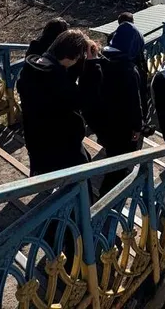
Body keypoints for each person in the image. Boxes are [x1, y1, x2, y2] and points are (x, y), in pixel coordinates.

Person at [16, 29, 93, 176]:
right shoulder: (56, 80)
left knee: (43, 175)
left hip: (36, 139)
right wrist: (92, 66)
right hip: (62, 144)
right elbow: (83, 100)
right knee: (80, 179)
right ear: (72, 56)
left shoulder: (32, 68)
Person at [95, 43, 145, 195]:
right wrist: (138, 127)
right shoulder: (128, 70)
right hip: (123, 127)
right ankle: (108, 198)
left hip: (104, 123)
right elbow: (135, 103)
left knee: (112, 154)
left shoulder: (98, 64)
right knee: (119, 165)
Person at [108, 12, 150, 124]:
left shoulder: (113, 37)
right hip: (136, 69)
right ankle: (142, 121)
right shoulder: (137, 34)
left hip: (119, 72)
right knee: (140, 96)